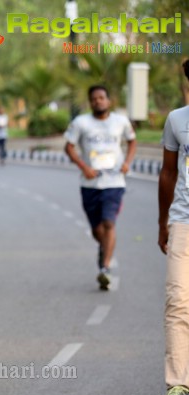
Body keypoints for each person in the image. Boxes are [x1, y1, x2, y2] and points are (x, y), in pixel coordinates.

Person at [64, 84, 137, 291]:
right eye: (94, 99)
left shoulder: (120, 122)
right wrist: (84, 167)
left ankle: (105, 268)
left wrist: (127, 163)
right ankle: (103, 248)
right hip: (90, 184)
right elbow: (68, 147)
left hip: (114, 182)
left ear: (109, 100)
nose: (98, 101)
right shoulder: (81, 123)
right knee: (97, 229)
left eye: (102, 98)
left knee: (109, 223)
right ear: (90, 102)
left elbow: (132, 141)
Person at [155, 58, 189, 395]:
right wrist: (163, 221)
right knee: (178, 301)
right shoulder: (177, 120)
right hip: (184, 221)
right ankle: (178, 386)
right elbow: (167, 173)